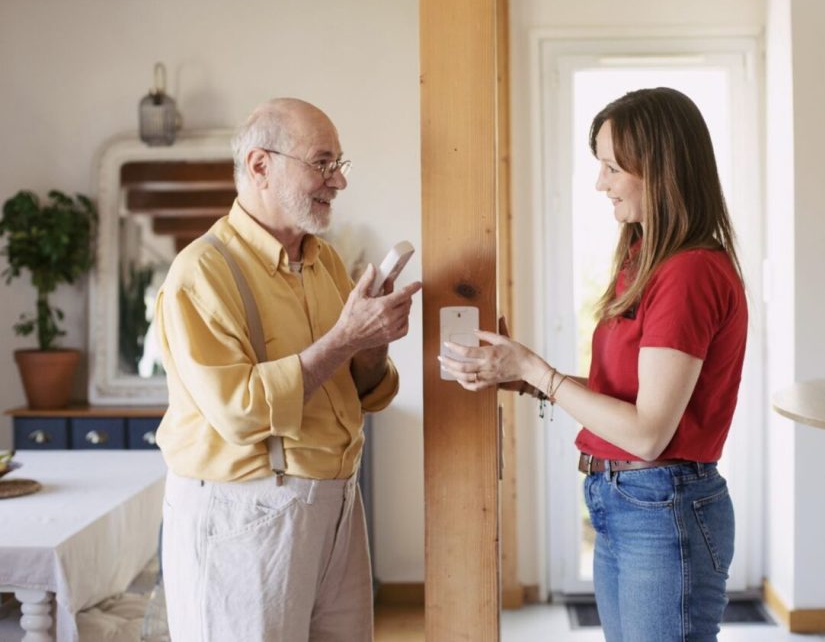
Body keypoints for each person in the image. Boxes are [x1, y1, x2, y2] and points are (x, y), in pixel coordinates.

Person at [440, 87, 748, 642]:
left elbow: (649, 434)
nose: (599, 183)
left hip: (662, 505)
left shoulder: (689, 274)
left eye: (610, 167)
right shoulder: (645, 259)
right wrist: (523, 379)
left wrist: (539, 371)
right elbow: (629, 403)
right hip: (628, 501)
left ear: (659, 169)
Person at [154, 98, 422, 642]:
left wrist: (370, 343)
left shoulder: (323, 262)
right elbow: (241, 412)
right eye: (322, 163)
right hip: (245, 514)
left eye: (339, 165)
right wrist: (346, 336)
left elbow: (365, 393)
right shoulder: (200, 273)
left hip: (336, 505)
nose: (337, 182)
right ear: (260, 166)